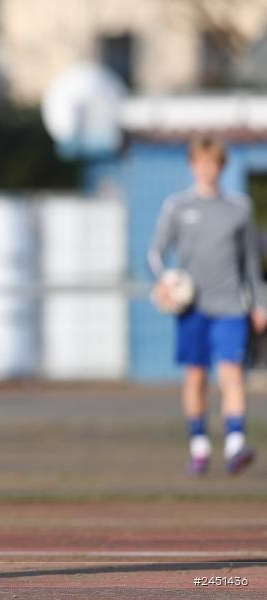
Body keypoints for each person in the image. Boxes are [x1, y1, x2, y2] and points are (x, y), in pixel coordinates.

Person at [149, 136, 267, 477]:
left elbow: (249, 263)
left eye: (213, 163)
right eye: (201, 162)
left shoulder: (239, 209)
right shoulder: (177, 206)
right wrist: (164, 281)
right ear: (192, 165)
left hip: (230, 305)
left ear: (222, 166)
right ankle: (199, 446)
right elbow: (155, 252)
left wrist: (259, 303)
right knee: (196, 376)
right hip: (192, 309)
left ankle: (235, 444)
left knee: (231, 373)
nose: (206, 169)